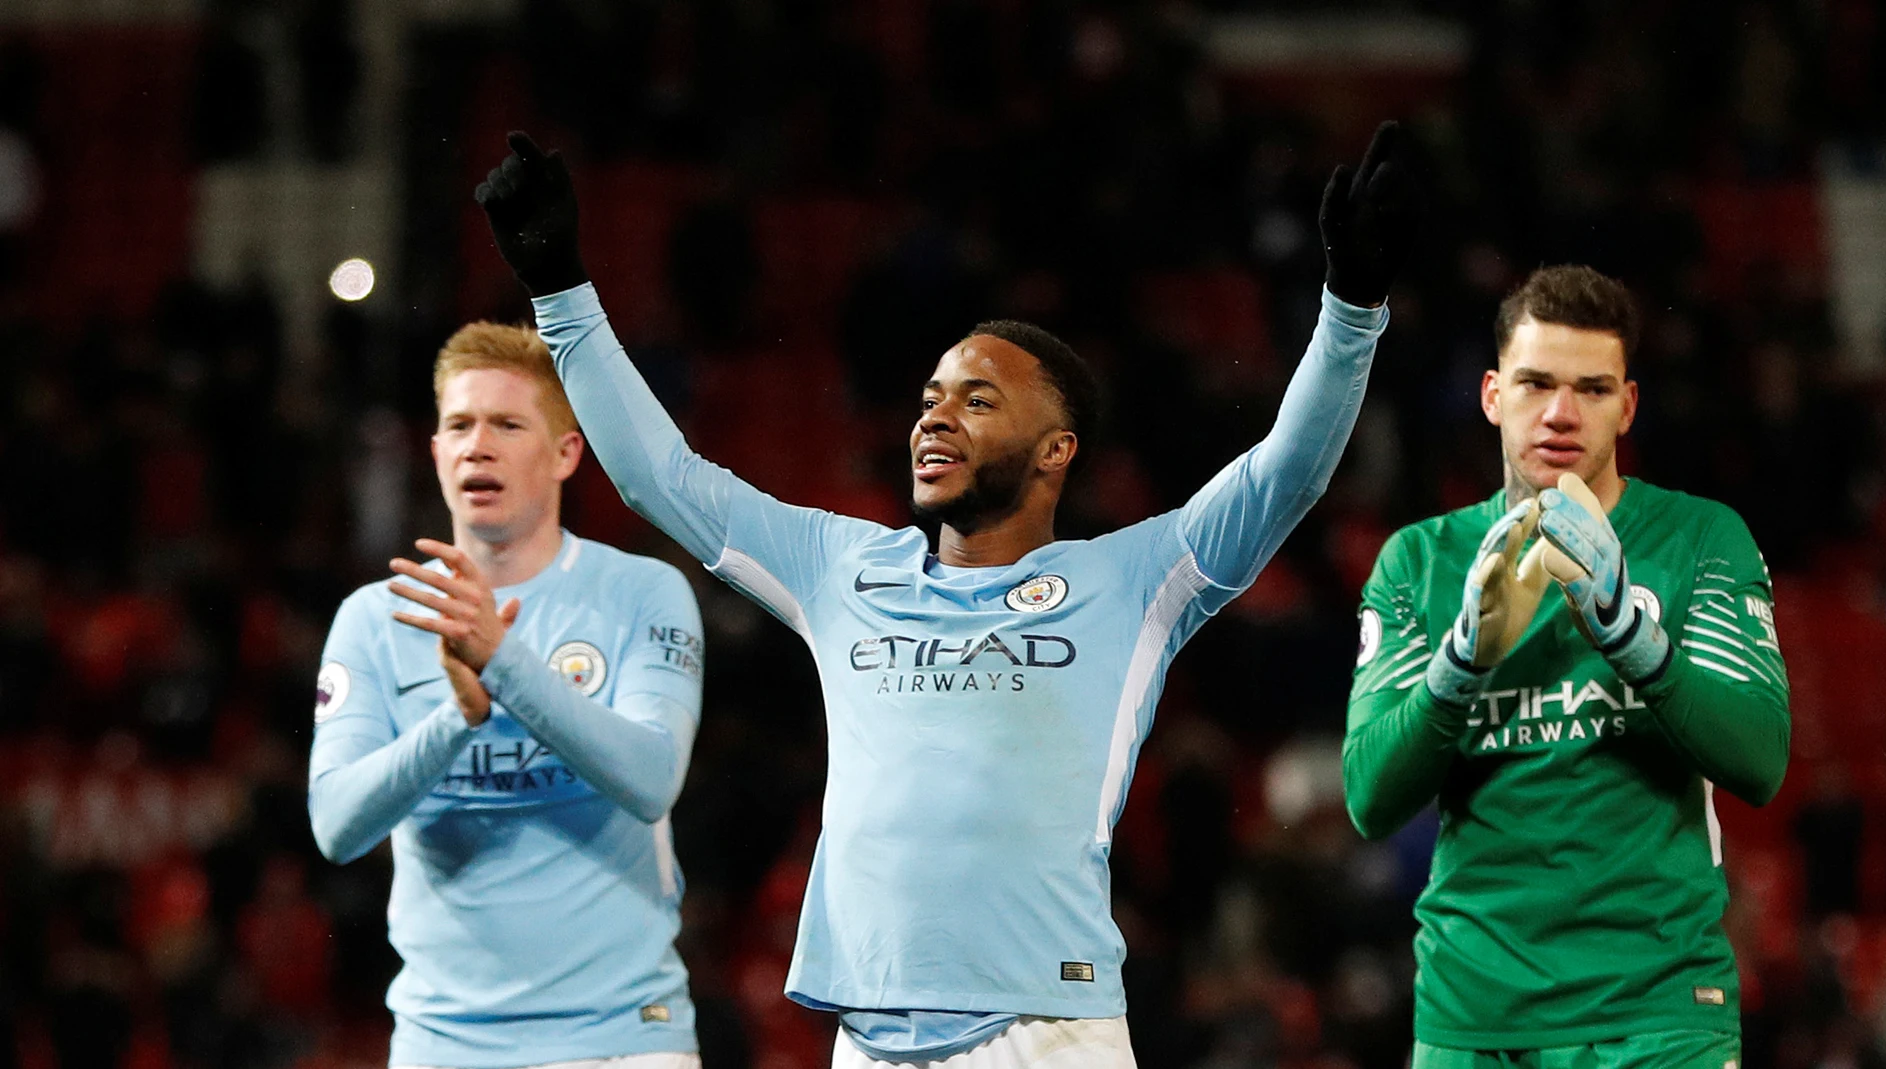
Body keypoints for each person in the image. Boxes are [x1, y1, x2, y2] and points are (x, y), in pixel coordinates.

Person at [473, 122, 1417, 1068]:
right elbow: (658, 476)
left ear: (1058, 448)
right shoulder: (841, 567)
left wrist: (1350, 311)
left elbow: (1284, 473)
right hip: (868, 1039)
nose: (935, 413)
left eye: (977, 398)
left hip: (1047, 1032)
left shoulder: (1135, 578)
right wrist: (560, 291)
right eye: (931, 395)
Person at [1346, 265, 1791, 1069]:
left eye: (1591, 388)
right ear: (1491, 395)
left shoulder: (1700, 539)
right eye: (1536, 383)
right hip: (1472, 1016)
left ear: (1627, 404)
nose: (1560, 413)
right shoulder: (1418, 561)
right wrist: (1459, 665)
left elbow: (1760, 759)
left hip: (1658, 1013)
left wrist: (1632, 637)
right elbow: (1371, 800)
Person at [307, 323, 707, 1069]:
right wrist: (458, 718)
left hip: (623, 1038)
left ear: (565, 453)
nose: (477, 444)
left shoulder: (642, 594)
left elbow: (653, 778)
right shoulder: (373, 617)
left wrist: (505, 665)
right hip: (442, 1044)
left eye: (507, 423)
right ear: (434, 452)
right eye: (458, 424)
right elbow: (335, 825)